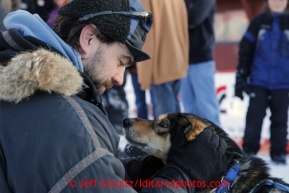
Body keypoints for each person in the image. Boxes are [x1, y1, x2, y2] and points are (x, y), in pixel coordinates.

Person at [0, 0, 236, 192]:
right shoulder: (63, 117)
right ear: (89, 39)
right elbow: (78, 159)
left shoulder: (32, 92)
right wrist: (182, 175)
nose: (120, 79)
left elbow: (77, 172)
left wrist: (138, 172)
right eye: (121, 62)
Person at [235, 0, 289, 165]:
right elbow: (245, 51)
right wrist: (241, 77)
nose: (278, 2)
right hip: (259, 81)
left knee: (280, 119)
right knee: (254, 117)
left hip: (283, 83)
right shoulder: (258, 22)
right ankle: (249, 152)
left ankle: (278, 153)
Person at [137, 0, 189, 119]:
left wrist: (145, 76)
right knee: (175, 111)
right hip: (178, 60)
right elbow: (184, 27)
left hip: (160, 63)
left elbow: (146, 33)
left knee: (165, 118)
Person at [180, 0, 221, 126]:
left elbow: (193, 18)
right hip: (182, 60)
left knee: (208, 110)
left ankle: (216, 144)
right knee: (190, 112)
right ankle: (196, 145)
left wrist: (177, 11)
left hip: (201, 59)